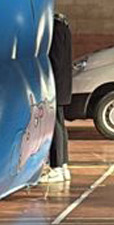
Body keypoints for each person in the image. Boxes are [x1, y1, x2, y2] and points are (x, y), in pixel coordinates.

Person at [41, 12, 73, 185]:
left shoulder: (54, 29)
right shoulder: (63, 26)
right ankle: (63, 165)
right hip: (62, 84)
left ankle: (57, 167)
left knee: (55, 127)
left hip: (55, 85)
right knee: (60, 125)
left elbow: (54, 59)